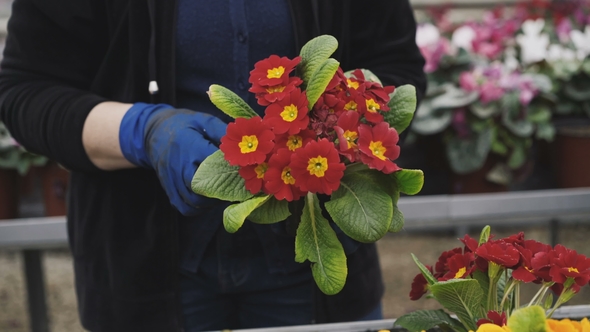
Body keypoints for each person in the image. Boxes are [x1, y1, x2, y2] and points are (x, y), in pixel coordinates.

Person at [0, 1, 426, 331]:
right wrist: (140, 131)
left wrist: (337, 138)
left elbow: (396, 70)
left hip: (311, 265)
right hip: (144, 270)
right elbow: (27, 90)